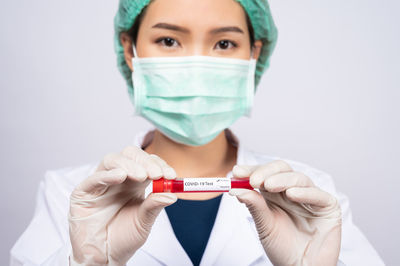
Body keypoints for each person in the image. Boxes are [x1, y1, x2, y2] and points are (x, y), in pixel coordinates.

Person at [10, 0, 384, 265]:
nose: (196, 65)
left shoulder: (314, 198)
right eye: (168, 40)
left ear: (254, 54)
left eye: (224, 43)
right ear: (130, 49)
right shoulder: (69, 195)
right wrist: (85, 264)